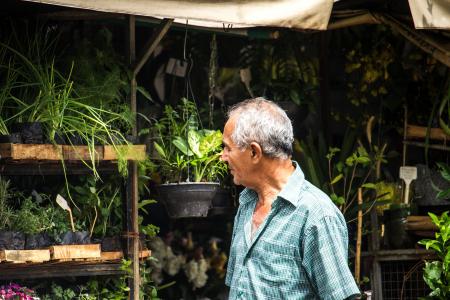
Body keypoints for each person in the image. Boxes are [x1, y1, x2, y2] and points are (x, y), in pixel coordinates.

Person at [221, 97, 360, 299]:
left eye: (228, 148)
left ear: (254, 152)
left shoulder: (316, 215)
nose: (222, 156)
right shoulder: (247, 203)